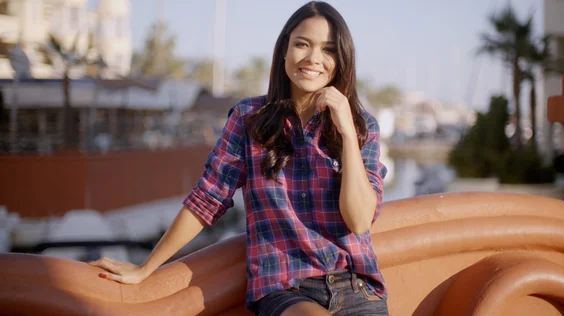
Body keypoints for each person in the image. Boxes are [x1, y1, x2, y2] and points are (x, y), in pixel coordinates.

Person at [88, 1, 389, 315]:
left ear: (341, 61)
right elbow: (208, 198)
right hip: (289, 288)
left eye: (328, 50)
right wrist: (146, 267)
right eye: (302, 44)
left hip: (358, 289)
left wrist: (347, 135)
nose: (314, 58)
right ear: (284, 50)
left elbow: (358, 220)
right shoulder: (249, 118)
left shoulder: (361, 126)